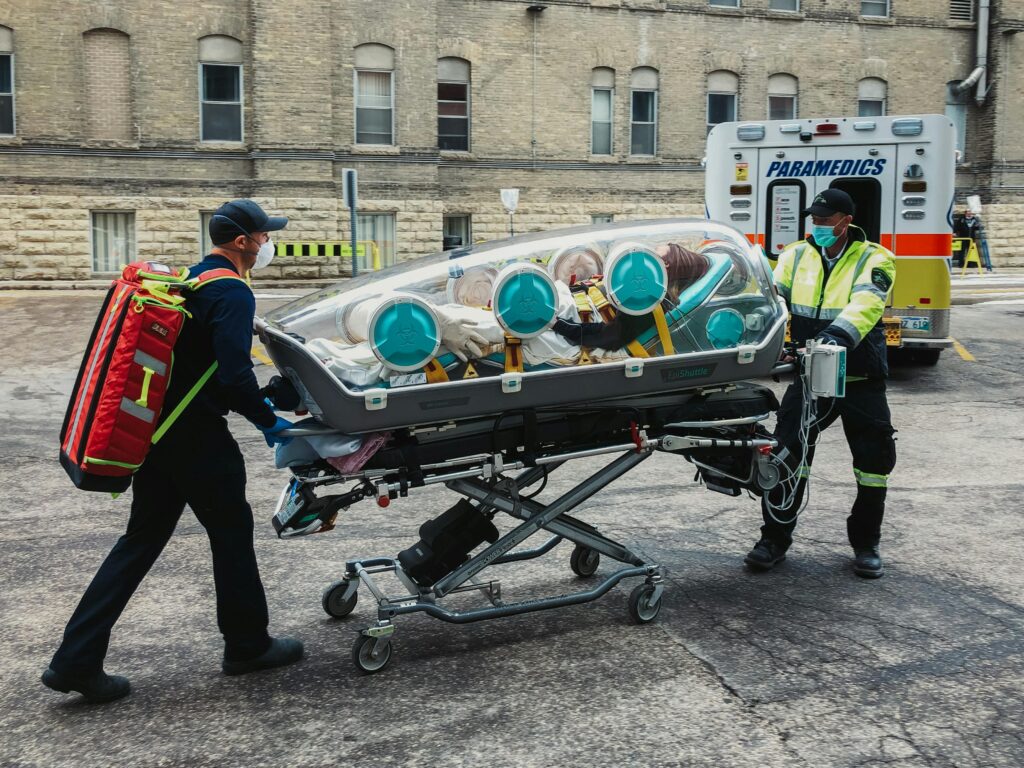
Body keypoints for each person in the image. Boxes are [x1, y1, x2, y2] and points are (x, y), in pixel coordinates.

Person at [43, 199, 302, 703]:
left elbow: (200, 367)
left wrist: (263, 397)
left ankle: (75, 659)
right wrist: (270, 421)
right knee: (230, 531)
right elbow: (232, 375)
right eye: (265, 235)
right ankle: (247, 644)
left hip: (158, 434)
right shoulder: (231, 290)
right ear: (244, 242)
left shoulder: (193, 278)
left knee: (142, 539)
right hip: (197, 439)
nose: (269, 242)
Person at [745, 189, 897, 579]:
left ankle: (866, 545)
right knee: (786, 454)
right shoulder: (797, 255)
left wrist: (836, 336)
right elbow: (774, 298)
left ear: (846, 221)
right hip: (811, 375)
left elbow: (867, 303)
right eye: (814, 219)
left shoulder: (875, 258)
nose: (818, 226)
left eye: (825, 220)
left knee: (873, 463)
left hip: (859, 376)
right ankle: (773, 540)